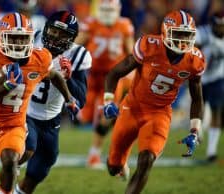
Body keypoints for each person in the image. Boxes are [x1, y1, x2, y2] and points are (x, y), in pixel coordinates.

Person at [0, 12, 78, 194]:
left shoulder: (40, 59)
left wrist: (69, 98)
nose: (18, 43)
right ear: (2, 37)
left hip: (14, 126)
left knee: (10, 159)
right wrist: (7, 86)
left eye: (22, 38)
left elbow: (54, 75)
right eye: (14, 38)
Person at [102, 10, 205, 194]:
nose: (183, 40)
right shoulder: (148, 46)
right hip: (132, 107)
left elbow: (197, 97)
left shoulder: (194, 60)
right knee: (113, 166)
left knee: (146, 159)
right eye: (178, 34)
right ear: (165, 31)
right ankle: (120, 167)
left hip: (159, 113)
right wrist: (109, 101)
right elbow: (115, 73)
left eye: (187, 35)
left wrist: (195, 130)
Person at [13, 10, 92, 194]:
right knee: (29, 145)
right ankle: (7, 177)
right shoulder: (31, 41)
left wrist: (69, 77)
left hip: (51, 118)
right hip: (26, 109)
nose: (56, 37)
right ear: (47, 28)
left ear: (72, 38)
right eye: (54, 31)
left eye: (63, 34)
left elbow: (81, 98)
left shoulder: (77, 55)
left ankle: (19, 191)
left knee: (46, 160)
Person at [74, 0, 135, 168]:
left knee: (106, 115)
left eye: (111, 10)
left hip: (113, 78)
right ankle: (88, 118)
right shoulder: (91, 23)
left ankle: (94, 155)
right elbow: (76, 45)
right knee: (83, 117)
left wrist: (134, 72)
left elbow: (132, 53)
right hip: (92, 76)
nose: (107, 14)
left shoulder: (124, 25)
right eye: (105, 10)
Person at [196, 11, 224, 162]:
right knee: (198, 107)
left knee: (216, 111)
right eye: (218, 26)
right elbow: (189, 43)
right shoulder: (204, 33)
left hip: (217, 78)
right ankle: (197, 130)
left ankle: (211, 151)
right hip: (199, 77)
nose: (220, 29)